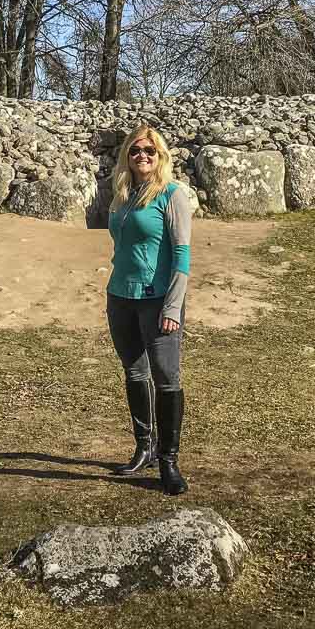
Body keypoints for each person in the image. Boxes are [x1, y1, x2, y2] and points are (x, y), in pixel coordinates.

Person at [105, 123, 192, 495]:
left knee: (166, 377)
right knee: (135, 373)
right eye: (136, 150)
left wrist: (172, 306)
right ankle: (144, 447)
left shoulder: (172, 194)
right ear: (128, 155)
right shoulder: (122, 194)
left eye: (150, 151)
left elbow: (182, 254)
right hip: (121, 296)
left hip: (158, 300)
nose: (142, 156)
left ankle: (169, 460)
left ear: (161, 157)